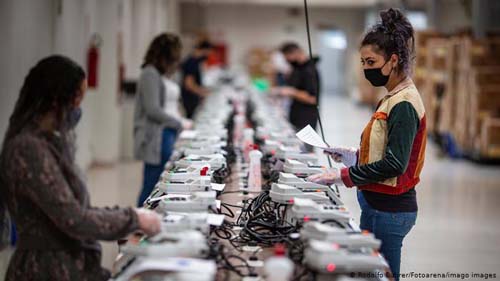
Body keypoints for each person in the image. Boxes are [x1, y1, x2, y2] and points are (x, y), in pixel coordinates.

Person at [0, 55, 161, 281]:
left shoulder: (47, 143)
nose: (78, 110)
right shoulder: (28, 149)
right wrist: (133, 219)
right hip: (44, 270)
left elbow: (77, 209)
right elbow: (74, 219)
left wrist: (129, 216)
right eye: (77, 101)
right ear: (57, 101)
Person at [307, 8, 425, 281]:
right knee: (370, 274)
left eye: (371, 61)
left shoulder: (404, 103)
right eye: (363, 62)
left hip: (390, 211)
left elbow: (396, 163)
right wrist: (352, 157)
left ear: (393, 60)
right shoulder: (394, 95)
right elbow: (388, 148)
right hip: (377, 205)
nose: (366, 69)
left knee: (382, 276)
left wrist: (342, 176)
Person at [134, 33, 187, 206]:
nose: (175, 63)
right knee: (152, 184)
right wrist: (179, 123)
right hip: (157, 136)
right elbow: (153, 110)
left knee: (160, 182)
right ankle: (140, 223)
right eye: (173, 59)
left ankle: (149, 221)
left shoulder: (160, 74)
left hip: (166, 133)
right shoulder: (149, 74)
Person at [277, 42, 320, 152]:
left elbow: (312, 98)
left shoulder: (310, 71)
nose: (287, 61)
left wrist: (291, 92)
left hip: (306, 120)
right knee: (295, 151)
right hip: (296, 117)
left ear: (296, 53)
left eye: (288, 57)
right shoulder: (297, 68)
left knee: (304, 154)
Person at [180, 40, 213, 119]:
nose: (208, 56)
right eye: (208, 53)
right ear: (205, 50)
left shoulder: (195, 62)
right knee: (192, 118)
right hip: (189, 99)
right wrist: (202, 92)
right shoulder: (191, 63)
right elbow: (188, 84)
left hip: (192, 97)